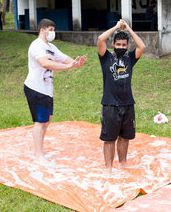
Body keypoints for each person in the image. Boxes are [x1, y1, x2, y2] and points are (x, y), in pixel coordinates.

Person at [24, 18, 87, 165]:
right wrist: (68, 67)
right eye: (50, 30)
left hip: (47, 90)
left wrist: (75, 63)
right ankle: (38, 155)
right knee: (40, 121)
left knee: (47, 119)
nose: (53, 33)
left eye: (53, 30)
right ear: (42, 30)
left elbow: (65, 58)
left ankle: (39, 149)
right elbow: (45, 63)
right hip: (35, 88)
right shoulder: (36, 45)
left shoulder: (51, 46)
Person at [97, 19, 146, 174]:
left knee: (125, 137)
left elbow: (142, 46)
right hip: (110, 104)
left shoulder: (129, 58)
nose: (121, 47)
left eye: (124, 45)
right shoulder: (106, 57)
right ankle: (109, 168)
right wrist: (117, 27)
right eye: (118, 44)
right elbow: (100, 39)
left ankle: (123, 163)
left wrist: (129, 29)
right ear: (113, 44)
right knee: (110, 138)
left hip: (127, 103)